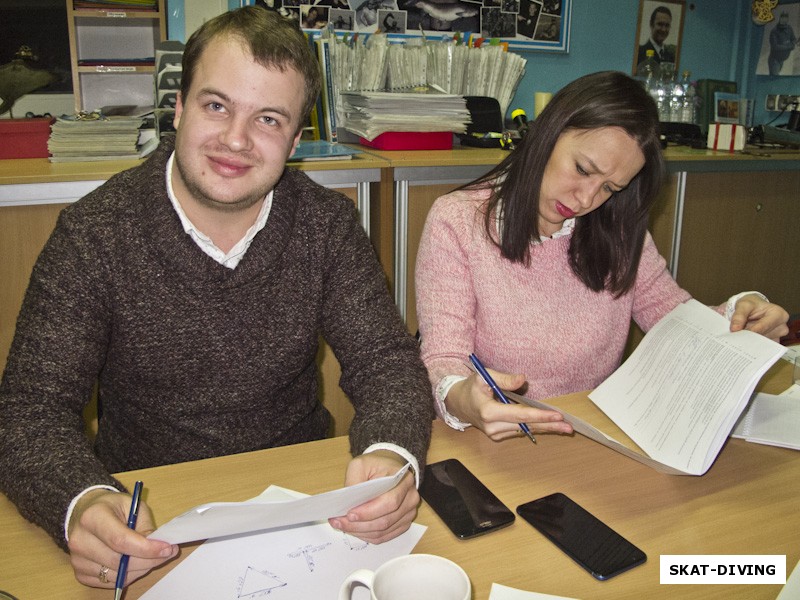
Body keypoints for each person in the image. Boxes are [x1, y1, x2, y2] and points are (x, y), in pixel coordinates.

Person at [0, 6, 434, 591]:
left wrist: (393, 453)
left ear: (296, 138)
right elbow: (28, 409)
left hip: (299, 508)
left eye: (269, 119)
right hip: (148, 508)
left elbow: (385, 361)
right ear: (176, 108)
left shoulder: (327, 226)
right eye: (216, 105)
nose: (236, 140)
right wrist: (78, 502)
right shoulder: (95, 233)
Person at [415, 71, 789, 442]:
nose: (585, 200)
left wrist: (743, 315)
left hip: (592, 437)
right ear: (548, 133)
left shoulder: (617, 230)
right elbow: (444, 357)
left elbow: (678, 321)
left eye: (609, 187)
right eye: (582, 169)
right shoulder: (460, 221)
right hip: (495, 440)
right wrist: (462, 397)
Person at [768, 11, 798, 76]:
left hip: (781, 60)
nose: (784, 19)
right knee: (774, 80)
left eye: (786, 17)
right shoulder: (774, 31)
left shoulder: (789, 28)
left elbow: (793, 38)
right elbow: (775, 47)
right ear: (780, 18)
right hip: (774, 60)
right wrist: (789, 46)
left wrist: (794, 43)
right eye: (783, 17)